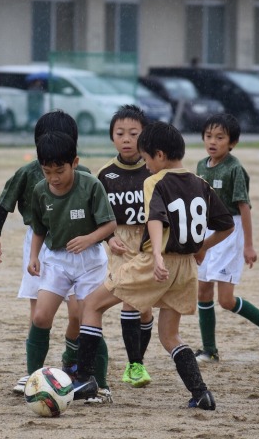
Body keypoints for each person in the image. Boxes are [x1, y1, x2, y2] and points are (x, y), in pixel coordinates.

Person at [70, 121, 234, 410]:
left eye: (146, 159)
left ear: (159, 155)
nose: (145, 166)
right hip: (186, 268)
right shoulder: (200, 182)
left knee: (92, 305)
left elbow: (155, 218)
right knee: (169, 335)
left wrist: (156, 254)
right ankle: (201, 393)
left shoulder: (155, 181)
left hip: (157, 262)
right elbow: (226, 225)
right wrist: (202, 247)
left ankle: (84, 379)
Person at [0, 110, 92, 394]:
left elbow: (97, 213)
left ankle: (72, 361)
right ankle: (33, 373)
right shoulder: (29, 172)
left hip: (73, 244)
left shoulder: (83, 174)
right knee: (39, 311)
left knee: (78, 312)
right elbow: (5, 203)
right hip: (39, 242)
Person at [26, 131, 117, 403]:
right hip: (56, 259)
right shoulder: (40, 191)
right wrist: (34, 256)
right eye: (47, 172)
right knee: (41, 317)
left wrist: (89, 239)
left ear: (74, 163)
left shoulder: (91, 185)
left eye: (60, 171)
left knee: (85, 317)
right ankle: (34, 380)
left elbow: (110, 224)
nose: (53, 178)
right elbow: (38, 228)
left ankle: (99, 385)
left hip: (89, 260)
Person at [193, 113, 259, 364]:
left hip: (229, 233)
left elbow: (244, 207)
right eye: (209, 136)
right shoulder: (201, 166)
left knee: (226, 300)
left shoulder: (235, 169)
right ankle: (209, 350)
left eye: (220, 137)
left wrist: (249, 246)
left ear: (232, 143)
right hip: (206, 231)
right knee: (203, 290)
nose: (213, 141)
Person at [96, 105, 154, 388]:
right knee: (130, 298)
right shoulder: (105, 175)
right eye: (120, 133)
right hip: (119, 244)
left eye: (134, 133)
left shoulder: (153, 171)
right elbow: (96, 217)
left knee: (145, 308)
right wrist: (108, 238)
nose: (127, 139)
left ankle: (137, 361)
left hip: (149, 243)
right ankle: (135, 365)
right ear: (112, 137)